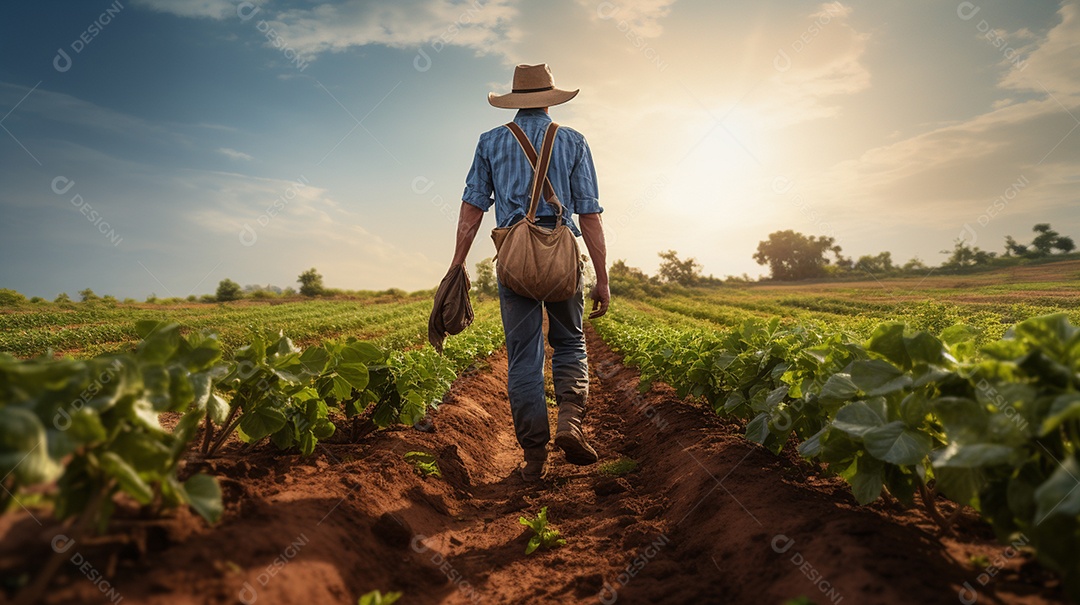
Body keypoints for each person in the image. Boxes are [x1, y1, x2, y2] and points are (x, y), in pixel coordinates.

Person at [449, 63, 610, 482]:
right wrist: (602, 277)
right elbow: (589, 214)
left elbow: (472, 209)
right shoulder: (573, 141)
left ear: (516, 100)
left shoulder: (491, 141)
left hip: (515, 260)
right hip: (560, 255)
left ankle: (534, 458)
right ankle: (570, 425)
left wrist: (457, 263)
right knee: (571, 342)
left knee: (523, 356)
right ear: (549, 98)